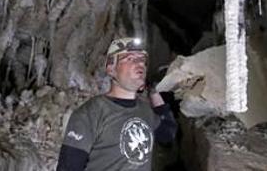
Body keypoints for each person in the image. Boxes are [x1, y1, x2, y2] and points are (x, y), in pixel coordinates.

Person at [56, 37, 177, 170]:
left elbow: (168, 133)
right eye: (130, 59)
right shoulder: (90, 114)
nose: (140, 64)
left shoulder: (145, 111)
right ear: (111, 68)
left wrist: (153, 90)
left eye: (142, 60)